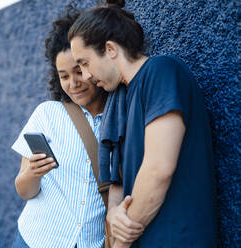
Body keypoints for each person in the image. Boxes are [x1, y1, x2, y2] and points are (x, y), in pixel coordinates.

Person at [68, 0, 218, 247]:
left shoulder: (162, 72)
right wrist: (113, 211)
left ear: (110, 49)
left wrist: (121, 243)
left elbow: (158, 169)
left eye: (85, 63)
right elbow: (121, 178)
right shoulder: (121, 99)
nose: (86, 76)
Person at [11, 7, 141, 248]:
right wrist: (33, 173)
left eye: (79, 71)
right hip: (36, 240)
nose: (73, 83)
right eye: (64, 76)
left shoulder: (121, 114)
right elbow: (24, 190)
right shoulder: (47, 114)